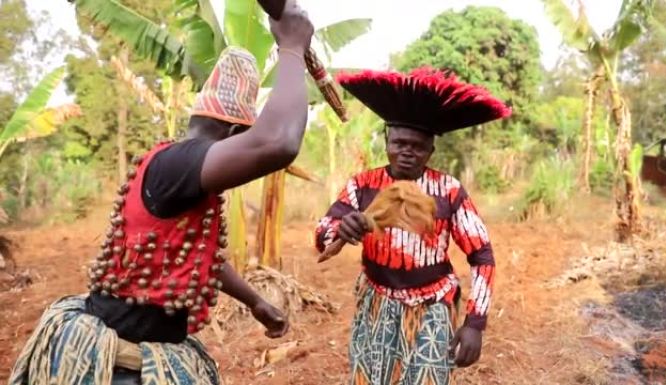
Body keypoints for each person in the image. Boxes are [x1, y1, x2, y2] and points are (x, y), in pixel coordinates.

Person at [9, 2, 314, 384]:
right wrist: (292, 46)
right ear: (235, 136)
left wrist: (255, 301)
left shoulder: (178, 173)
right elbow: (279, 142)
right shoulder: (180, 164)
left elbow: (196, 256)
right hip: (119, 367)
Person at [314, 67, 511, 385]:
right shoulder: (362, 186)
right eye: (400, 143)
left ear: (431, 151)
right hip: (377, 303)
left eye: (418, 146)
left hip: (433, 305)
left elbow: (482, 257)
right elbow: (323, 235)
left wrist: (475, 323)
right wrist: (340, 228)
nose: (407, 152)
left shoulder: (448, 190)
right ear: (386, 140)